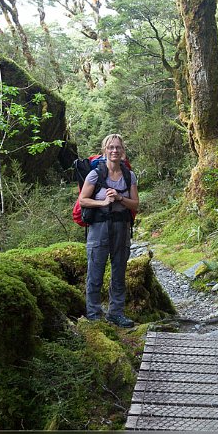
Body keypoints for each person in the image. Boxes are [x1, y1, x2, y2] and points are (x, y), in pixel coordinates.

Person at [78, 134, 139, 327]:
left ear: (123, 151)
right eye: (111, 147)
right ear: (105, 150)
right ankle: (94, 313)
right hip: (99, 227)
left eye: (118, 148)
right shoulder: (96, 174)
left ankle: (116, 313)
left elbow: (136, 204)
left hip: (122, 226)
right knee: (95, 269)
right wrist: (103, 202)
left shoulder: (130, 175)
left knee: (119, 270)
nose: (114, 151)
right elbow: (82, 200)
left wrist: (120, 198)